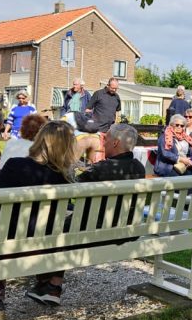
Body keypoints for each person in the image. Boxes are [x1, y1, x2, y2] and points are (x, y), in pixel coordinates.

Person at [26, 123, 147, 306]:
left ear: (115, 143)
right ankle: (49, 284)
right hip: (128, 229)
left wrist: (69, 163)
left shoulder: (100, 170)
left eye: (106, 140)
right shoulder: (139, 168)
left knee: (54, 227)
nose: (102, 145)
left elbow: (71, 177)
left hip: (97, 229)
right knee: (66, 224)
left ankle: (50, 285)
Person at [0, 120, 79, 320]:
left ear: (40, 140)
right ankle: (49, 287)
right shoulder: (65, 178)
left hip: (6, 245)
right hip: (45, 246)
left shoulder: (15, 165)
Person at [77, 78, 123, 162]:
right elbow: (88, 109)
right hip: (98, 130)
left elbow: (117, 112)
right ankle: (94, 171)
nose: (114, 90)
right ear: (108, 85)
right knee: (97, 157)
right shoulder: (98, 94)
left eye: (116, 88)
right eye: (113, 88)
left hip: (110, 131)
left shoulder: (117, 97)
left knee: (106, 156)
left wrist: (116, 125)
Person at [154, 114, 192, 178]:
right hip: (168, 166)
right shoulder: (164, 136)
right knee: (184, 178)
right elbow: (165, 153)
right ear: (171, 125)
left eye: (182, 126)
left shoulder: (185, 137)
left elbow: (190, 152)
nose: (179, 127)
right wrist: (181, 159)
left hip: (183, 165)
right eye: (177, 125)